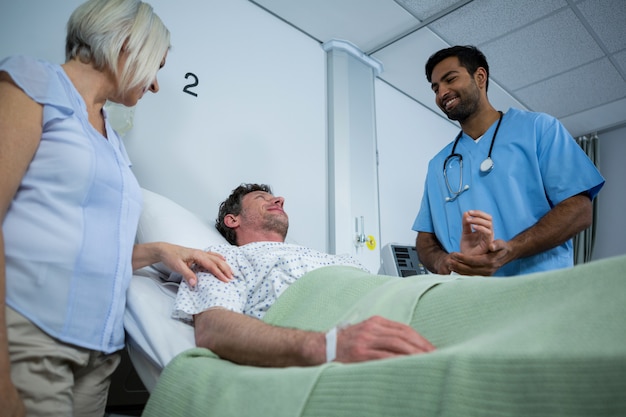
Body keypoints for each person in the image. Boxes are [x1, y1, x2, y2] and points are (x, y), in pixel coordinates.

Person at [0, 1, 232, 416]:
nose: (157, 85)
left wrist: (159, 251)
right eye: (155, 66)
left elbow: (90, 246)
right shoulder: (33, 82)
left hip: (100, 355)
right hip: (33, 335)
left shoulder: (112, 139)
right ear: (124, 44)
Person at [175, 183, 496, 368]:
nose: (279, 199)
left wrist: (463, 270)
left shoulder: (333, 259)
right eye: (262, 198)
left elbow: (397, 298)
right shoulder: (225, 257)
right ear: (233, 220)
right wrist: (326, 346)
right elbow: (213, 329)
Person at [412, 45, 605, 277]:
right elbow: (425, 238)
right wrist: (443, 261)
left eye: (450, 79)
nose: (442, 93)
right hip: (468, 298)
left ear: (480, 77)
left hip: (538, 290)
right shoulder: (439, 164)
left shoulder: (538, 129)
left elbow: (579, 210)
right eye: (435, 88)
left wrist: (511, 250)